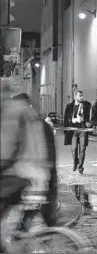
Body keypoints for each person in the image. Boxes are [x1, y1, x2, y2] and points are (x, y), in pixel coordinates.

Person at [0, 80, 57, 227]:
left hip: (23, 176)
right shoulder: (31, 115)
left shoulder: (11, 112)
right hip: (38, 178)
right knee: (22, 227)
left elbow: (7, 151)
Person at [64, 89, 92, 174]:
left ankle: (80, 167)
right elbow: (66, 119)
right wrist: (74, 121)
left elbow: (91, 116)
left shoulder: (87, 105)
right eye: (80, 96)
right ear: (75, 97)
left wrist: (89, 123)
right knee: (74, 149)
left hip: (83, 130)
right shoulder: (69, 106)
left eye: (82, 95)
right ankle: (75, 162)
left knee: (82, 149)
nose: (82, 97)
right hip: (73, 131)